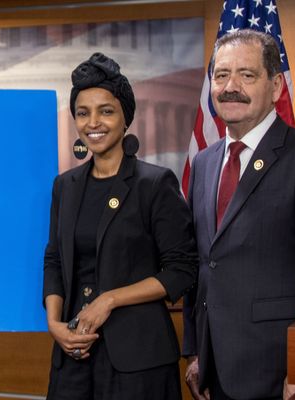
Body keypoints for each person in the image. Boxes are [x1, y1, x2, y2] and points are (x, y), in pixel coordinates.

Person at [182, 29, 295, 400]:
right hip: (216, 369)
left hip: (279, 371)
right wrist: (197, 349)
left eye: (247, 75)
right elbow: (202, 263)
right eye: (221, 75)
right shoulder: (203, 162)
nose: (231, 86)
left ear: (276, 86)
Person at [42, 53, 198, 399]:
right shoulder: (64, 185)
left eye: (106, 111)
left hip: (139, 361)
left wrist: (109, 299)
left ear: (125, 116)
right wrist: (54, 325)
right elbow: (54, 259)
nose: (93, 122)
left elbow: (182, 270)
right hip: (74, 356)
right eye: (83, 113)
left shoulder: (155, 184)